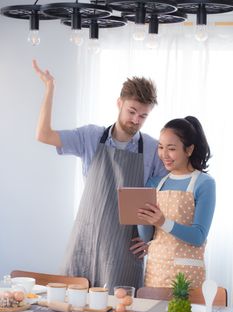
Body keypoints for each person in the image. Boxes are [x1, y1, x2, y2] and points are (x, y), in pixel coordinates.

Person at [32, 59, 166, 294]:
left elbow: (168, 199)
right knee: (72, 309)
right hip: (86, 240)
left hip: (123, 249)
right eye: (131, 111)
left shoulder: (154, 150)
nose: (135, 120)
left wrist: (152, 240)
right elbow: (43, 135)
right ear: (119, 103)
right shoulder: (90, 137)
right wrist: (49, 89)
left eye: (143, 116)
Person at [137, 116, 216, 288]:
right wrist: (141, 217)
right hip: (155, 272)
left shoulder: (204, 183)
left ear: (189, 150)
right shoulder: (154, 183)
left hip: (187, 275)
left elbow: (198, 236)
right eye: (160, 147)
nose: (164, 155)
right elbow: (147, 237)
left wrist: (162, 222)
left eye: (171, 148)